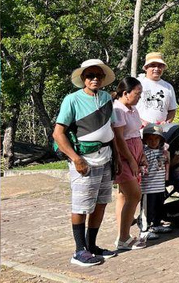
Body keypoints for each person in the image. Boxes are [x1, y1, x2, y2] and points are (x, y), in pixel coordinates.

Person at [53, 59, 118, 266]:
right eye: (90, 76)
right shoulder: (71, 100)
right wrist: (76, 159)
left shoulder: (107, 98)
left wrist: (116, 158)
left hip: (105, 158)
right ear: (83, 79)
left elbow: (111, 130)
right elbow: (58, 133)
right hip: (84, 160)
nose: (95, 79)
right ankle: (79, 251)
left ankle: (92, 246)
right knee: (81, 206)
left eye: (98, 75)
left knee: (100, 203)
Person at [111, 77, 147, 251]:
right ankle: (124, 238)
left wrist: (141, 156)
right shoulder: (118, 110)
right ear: (125, 93)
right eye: (137, 94)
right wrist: (131, 160)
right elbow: (119, 138)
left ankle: (122, 234)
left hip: (135, 150)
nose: (139, 97)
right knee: (134, 194)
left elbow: (136, 133)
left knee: (124, 196)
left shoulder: (132, 109)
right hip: (124, 155)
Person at [139, 124, 168, 241]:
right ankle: (144, 229)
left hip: (160, 186)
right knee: (147, 209)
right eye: (150, 139)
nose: (153, 142)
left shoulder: (163, 151)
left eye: (156, 139)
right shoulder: (144, 152)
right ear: (145, 140)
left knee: (159, 207)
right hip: (148, 188)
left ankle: (157, 225)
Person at [137, 52, 177, 125]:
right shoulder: (138, 83)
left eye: (160, 66)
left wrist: (166, 122)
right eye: (153, 65)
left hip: (160, 132)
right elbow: (129, 107)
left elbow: (172, 110)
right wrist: (142, 122)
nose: (156, 69)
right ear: (146, 68)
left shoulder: (168, 87)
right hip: (138, 130)